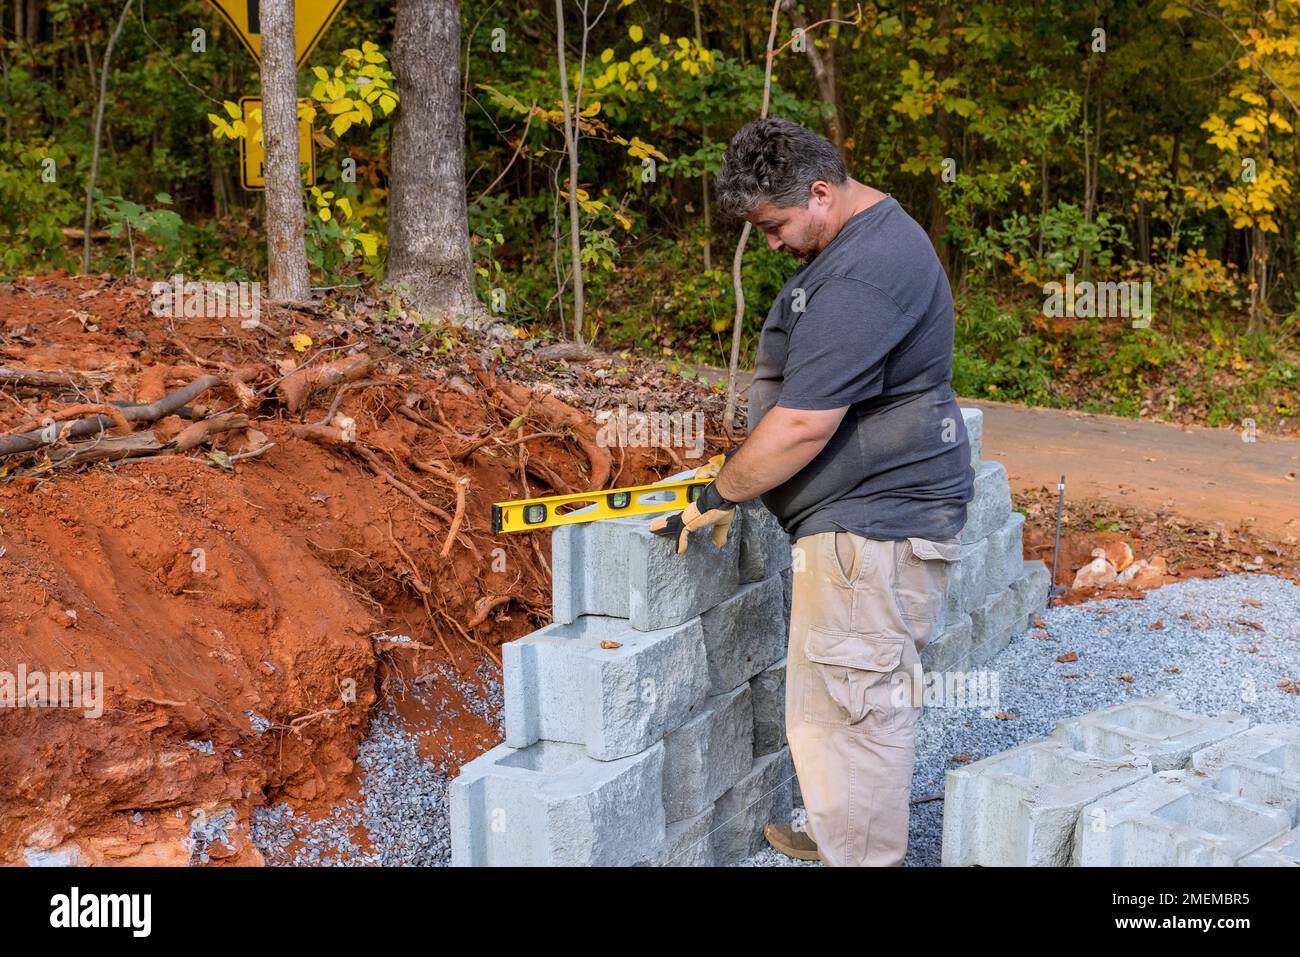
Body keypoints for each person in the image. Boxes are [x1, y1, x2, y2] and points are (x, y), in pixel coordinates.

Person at [650, 116, 974, 867]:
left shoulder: (866, 269)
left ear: (822, 193)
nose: (771, 243)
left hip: (876, 528)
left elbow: (800, 425)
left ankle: (862, 854)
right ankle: (843, 836)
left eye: (775, 225)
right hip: (861, 526)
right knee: (829, 705)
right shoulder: (868, 243)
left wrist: (721, 491)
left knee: (856, 710)